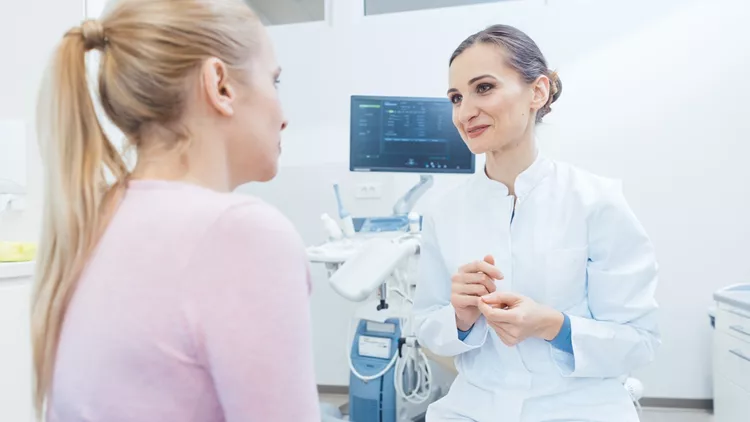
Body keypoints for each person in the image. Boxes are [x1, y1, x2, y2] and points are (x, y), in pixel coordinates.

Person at [30, 1, 320, 421]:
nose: (284, 116)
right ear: (220, 84)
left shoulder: (94, 219)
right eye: (275, 80)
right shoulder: (240, 233)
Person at [412, 24, 659, 421]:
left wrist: (553, 325)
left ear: (537, 92)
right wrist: (459, 318)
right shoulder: (445, 212)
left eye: (484, 88)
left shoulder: (596, 201)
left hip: (578, 407)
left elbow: (640, 340)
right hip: (474, 405)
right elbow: (426, 322)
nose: (465, 111)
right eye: (456, 97)